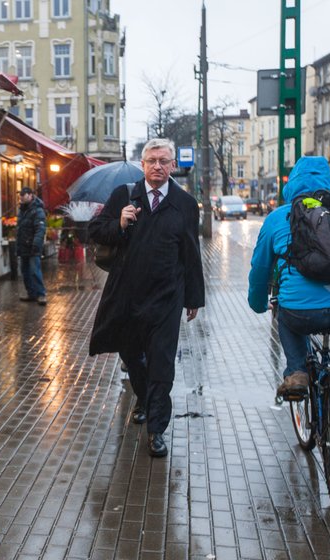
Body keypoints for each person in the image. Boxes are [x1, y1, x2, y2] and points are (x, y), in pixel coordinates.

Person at [248, 155, 330, 452]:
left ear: (292, 185)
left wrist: (257, 303)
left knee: (285, 311)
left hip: (301, 312)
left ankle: (296, 371)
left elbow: (260, 270)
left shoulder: (279, 217)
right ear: (329, 183)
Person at [88, 138, 205, 458]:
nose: (157, 166)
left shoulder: (184, 203)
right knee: (132, 357)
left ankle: (156, 429)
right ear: (143, 164)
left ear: (172, 166)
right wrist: (119, 222)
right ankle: (143, 398)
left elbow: (191, 253)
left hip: (167, 298)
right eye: (152, 160)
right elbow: (96, 231)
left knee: (162, 364)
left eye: (164, 161)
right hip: (127, 295)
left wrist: (193, 297)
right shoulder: (124, 196)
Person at [16, 186, 47, 305]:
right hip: (23, 246)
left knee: (35, 271)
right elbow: (20, 229)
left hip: (33, 247)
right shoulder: (22, 210)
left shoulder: (38, 210)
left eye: (23, 196)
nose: (21, 198)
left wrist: (36, 244)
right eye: (20, 196)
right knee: (25, 271)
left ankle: (41, 294)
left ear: (30, 195)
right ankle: (31, 293)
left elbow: (40, 229)